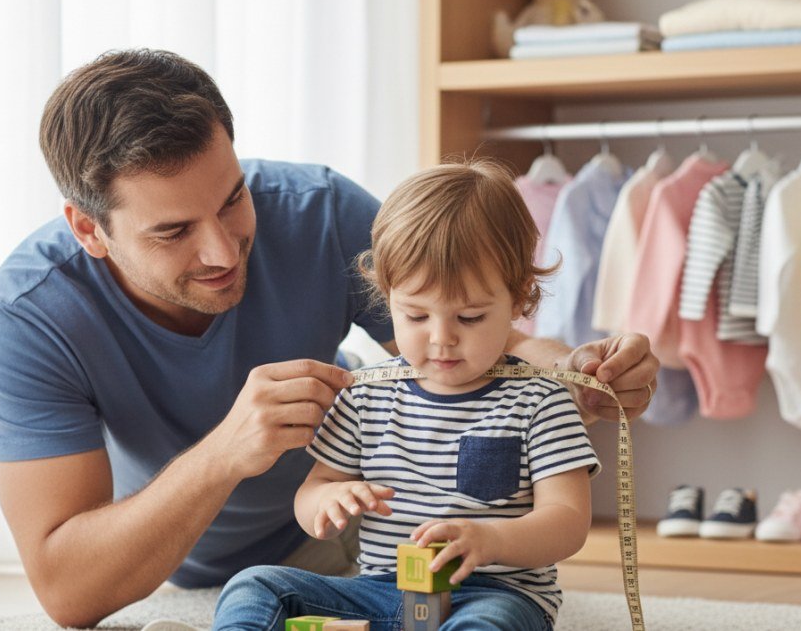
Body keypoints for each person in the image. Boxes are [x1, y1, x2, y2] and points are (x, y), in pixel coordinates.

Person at [0, 49, 658, 628]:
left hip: (375, 533)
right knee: (255, 595)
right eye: (174, 231)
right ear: (88, 228)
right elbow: (68, 592)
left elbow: (478, 338)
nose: (223, 250)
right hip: (198, 561)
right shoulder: (26, 315)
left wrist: (571, 370)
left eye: (234, 197)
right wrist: (226, 453)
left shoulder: (319, 209)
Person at [212, 160, 599, 630]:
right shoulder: (363, 397)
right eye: (416, 316)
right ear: (386, 296)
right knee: (254, 586)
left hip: (494, 592)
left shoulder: (541, 401)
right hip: (380, 591)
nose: (441, 338)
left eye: (470, 317)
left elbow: (568, 521)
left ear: (519, 298)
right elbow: (312, 491)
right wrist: (329, 500)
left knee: (492, 625)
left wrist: (489, 540)